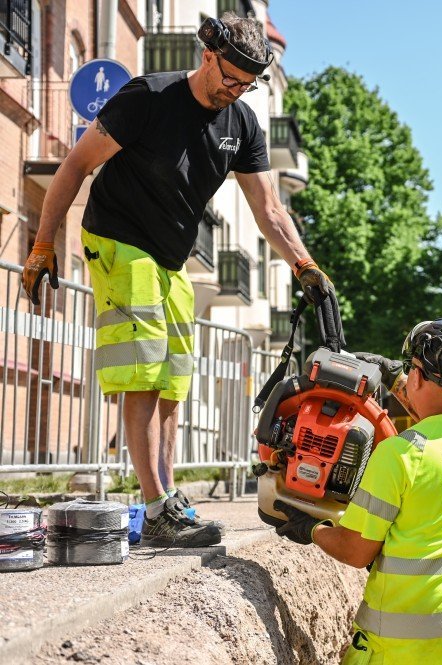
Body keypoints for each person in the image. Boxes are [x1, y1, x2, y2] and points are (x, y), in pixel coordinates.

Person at [20, 13, 335, 548]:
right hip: (119, 239)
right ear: (207, 56)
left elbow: (269, 209)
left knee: (174, 379)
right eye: (230, 78)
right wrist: (44, 242)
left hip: (170, 258)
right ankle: (153, 503)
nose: (235, 91)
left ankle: (167, 496)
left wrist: (304, 264)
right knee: (143, 369)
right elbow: (74, 166)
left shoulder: (242, 125)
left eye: (247, 84)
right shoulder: (148, 99)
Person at [274, 319, 442, 664]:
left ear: (417, 376)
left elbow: (355, 551)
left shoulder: (399, 455)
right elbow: (438, 422)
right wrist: (397, 375)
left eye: (410, 371)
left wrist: (309, 528)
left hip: (404, 649)